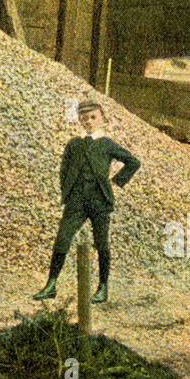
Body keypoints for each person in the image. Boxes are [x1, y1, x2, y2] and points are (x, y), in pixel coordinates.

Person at [32, 101, 140, 303]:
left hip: (100, 201)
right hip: (77, 201)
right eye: (84, 118)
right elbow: (64, 170)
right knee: (62, 238)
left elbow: (133, 162)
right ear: (79, 120)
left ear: (101, 119)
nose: (89, 122)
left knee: (101, 243)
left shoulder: (107, 144)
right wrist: (68, 191)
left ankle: (102, 288)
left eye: (93, 117)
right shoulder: (74, 143)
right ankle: (51, 284)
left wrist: (115, 182)